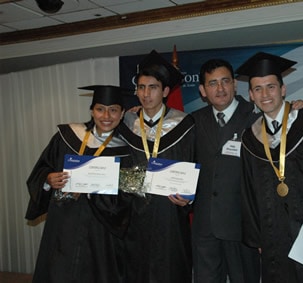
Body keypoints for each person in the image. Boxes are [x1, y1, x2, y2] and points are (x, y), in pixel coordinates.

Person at [236, 52, 303, 282]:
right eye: (258, 89)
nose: (265, 94)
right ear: (250, 95)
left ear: (283, 89)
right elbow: (248, 191)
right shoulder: (250, 138)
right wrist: (257, 237)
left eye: (271, 87)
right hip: (273, 233)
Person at [26, 85, 134, 283]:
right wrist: (48, 180)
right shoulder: (66, 137)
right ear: (92, 111)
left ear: (122, 113)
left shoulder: (127, 150)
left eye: (114, 110)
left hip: (103, 232)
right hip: (65, 225)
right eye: (100, 109)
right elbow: (40, 170)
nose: (106, 116)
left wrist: (93, 191)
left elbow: (129, 197)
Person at [117, 50, 195, 283]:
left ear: (165, 91)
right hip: (135, 214)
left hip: (169, 214)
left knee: (170, 270)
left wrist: (188, 198)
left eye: (152, 87)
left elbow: (194, 163)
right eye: (141, 87)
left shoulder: (184, 124)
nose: (145, 94)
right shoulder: (127, 123)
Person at [191, 59, 261, 283]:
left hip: (242, 228)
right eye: (212, 84)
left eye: (225, 82)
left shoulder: (256, 118)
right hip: (205, 228)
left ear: (235, 84)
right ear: (203, 90)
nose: (220, 89)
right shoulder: (193, 121)